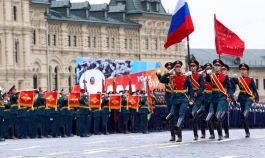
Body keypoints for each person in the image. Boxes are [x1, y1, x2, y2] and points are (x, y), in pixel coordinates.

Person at [161, 60, 195, 142]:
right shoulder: (171, 78)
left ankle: (178, 132)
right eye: (176, 67)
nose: (179, 68)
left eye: (179, 67)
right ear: (174, 69)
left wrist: (191, 99)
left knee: (181, 114)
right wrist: (168, 73)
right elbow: (161, 80)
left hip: (184, 97)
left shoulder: (185, 77)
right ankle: (167, 120)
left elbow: (190, 89)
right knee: (173, 113)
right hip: (175, 98)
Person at [205, 59, 234, 141]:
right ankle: (211, 131)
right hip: (213, 97)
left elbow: (230, 88)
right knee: (210, 114)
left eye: (218, 66)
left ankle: (220, 134)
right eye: (215, 66)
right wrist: (207, 74)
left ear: (221, 67)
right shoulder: (212, 76)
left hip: (222, 97)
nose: (217, 67)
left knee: (218, 115)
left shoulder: (225, 77)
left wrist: (231, 96)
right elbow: (207, 80)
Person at [233, 63, 259, 138]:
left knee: (246, 109)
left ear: (247, 71)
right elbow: (232, 85)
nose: (242, 71)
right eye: (241, 70)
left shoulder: (250, 80)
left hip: (249, 97)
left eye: (244, 70)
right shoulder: (238, 79)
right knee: (244, 118)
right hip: (241, 97)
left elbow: (254, 90)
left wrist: (256, 98)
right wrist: (233, 80)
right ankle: (247, 132)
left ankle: (244, 115)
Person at [186, 60, 205, 140]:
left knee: (194, 111)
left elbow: (202, 87)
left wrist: (197, 93)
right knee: (193, 117)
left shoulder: (199, 76)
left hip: (198, 96)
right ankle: (195, 134)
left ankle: (200, 133)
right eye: (191, 66)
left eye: (194, 66)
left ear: (196, 67)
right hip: (191, 97)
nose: (192, 67)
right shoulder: (187, 76)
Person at [158, 62, 176, 141]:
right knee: (171, 116)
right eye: (168, 68)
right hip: (169, 96)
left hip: (177, 96)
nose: (169, 69)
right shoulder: (167, 77)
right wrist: (159, 76)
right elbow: (162, 80)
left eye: (170, 68)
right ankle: (172, 135)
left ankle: (178, 134)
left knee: (176, 115)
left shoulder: (177, 76)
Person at [221, 64, 235, 138]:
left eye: (225, 70)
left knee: (224, 115)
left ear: (227, 71)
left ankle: (226, 132)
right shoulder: (217, 78)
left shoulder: (229, 79)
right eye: (222, 70)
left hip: (226, 98)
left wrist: (230, 96)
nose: (223, 71)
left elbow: (232, 89)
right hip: (219, 97)